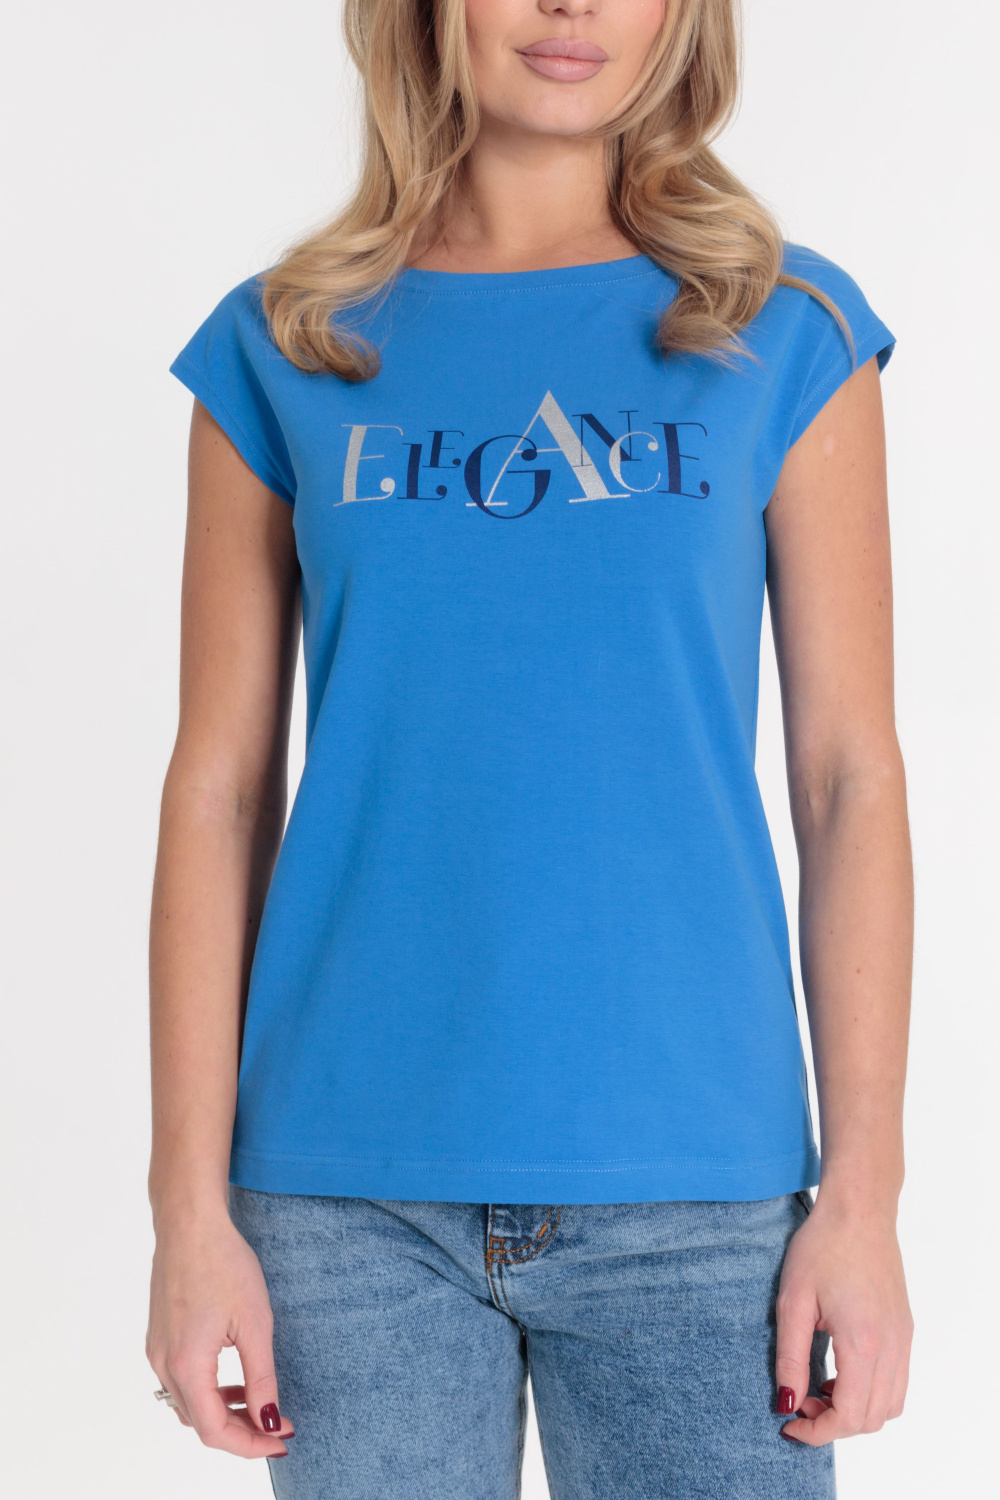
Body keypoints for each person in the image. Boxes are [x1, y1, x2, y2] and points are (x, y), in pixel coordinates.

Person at [146, 2, 914, 1496]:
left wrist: (865, 1199)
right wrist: (188, 1211)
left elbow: (850, 780)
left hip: (702, 1198)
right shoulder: (286, 341)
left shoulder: (786, 329)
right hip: (345, 1199)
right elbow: (218, 790)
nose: (571, 5)